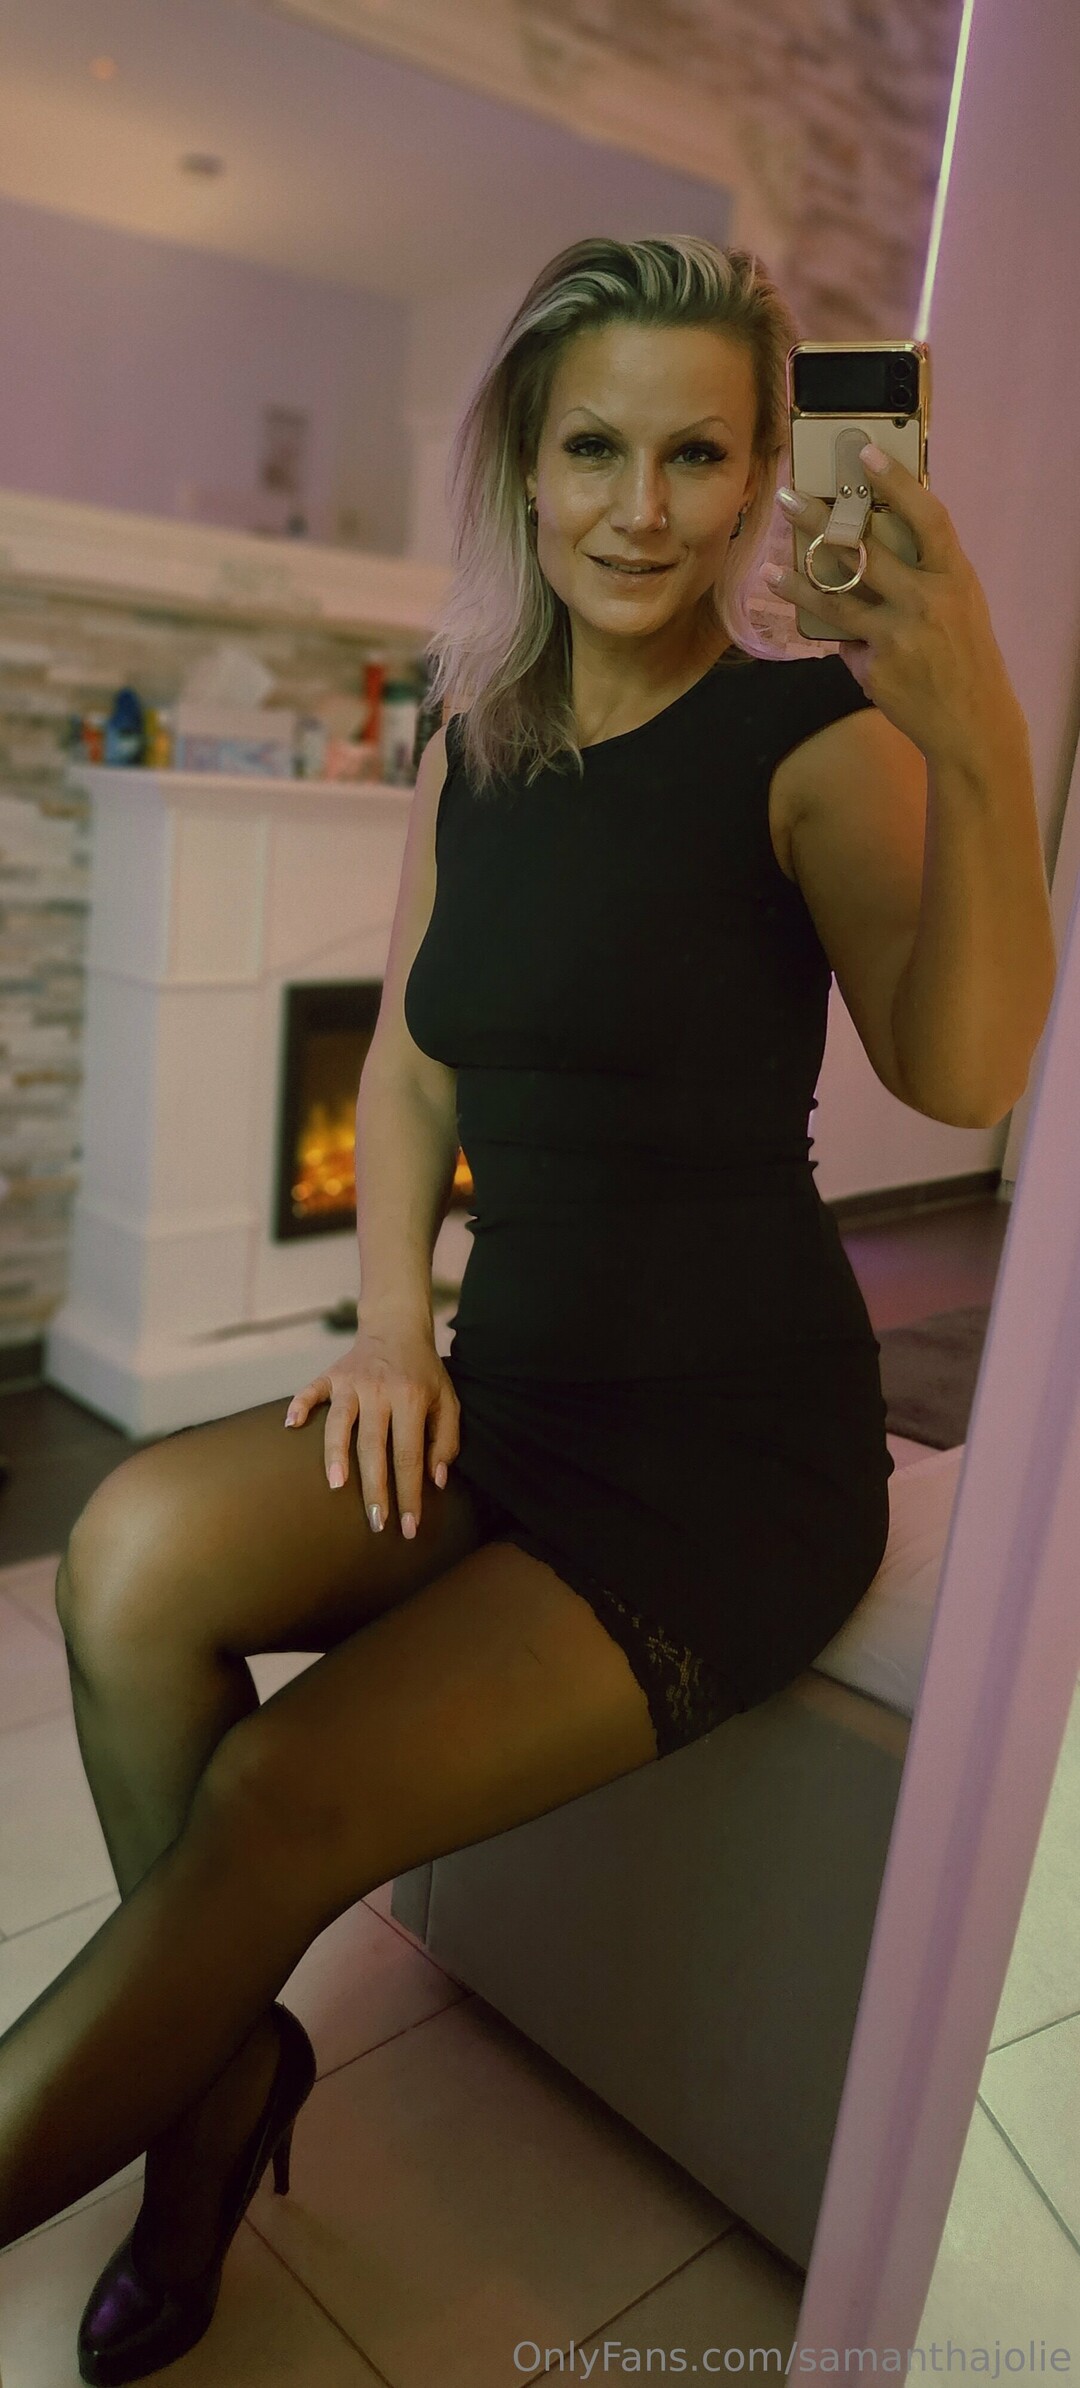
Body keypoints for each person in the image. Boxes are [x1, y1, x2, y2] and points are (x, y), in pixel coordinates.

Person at [0, 237, 1054, 2382]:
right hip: (511, 1389)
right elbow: (407, 1062)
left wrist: (978, 738)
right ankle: (223, 2069)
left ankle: (193, 2145)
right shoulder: (469, 742)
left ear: (765, 476)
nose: (639, 509)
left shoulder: (814, 744)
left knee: (280, 1796)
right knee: (126, 1558)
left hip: (726, 1469)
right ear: (523, 463)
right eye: (595, 449)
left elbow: (965, 1075)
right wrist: (393, 1325)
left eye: (698, 455)